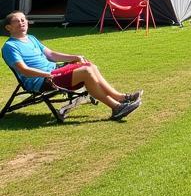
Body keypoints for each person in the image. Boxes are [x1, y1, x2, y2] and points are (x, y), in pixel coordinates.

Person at [3, 11, 142, 120]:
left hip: (53, 72)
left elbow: (51, 55)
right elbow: (24, 70)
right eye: (17, 21)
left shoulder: (31, 38)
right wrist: (46, 74)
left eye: (23, 19)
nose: (22, 22)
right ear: (8, 27)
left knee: (89, 65)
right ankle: (117, 107)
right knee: (86, 72)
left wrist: (74, 57)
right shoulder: (10, 47)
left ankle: (120, 98)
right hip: (41, 80)